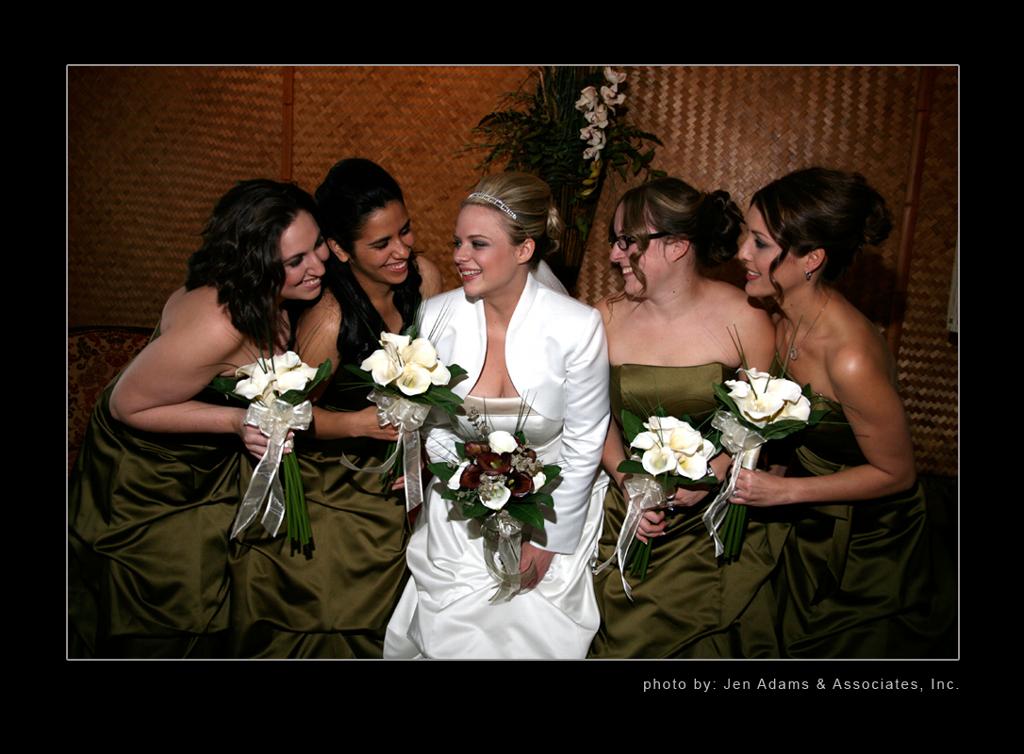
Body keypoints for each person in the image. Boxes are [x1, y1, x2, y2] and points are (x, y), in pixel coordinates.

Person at [69, 179, 328, 658]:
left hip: (203, 452)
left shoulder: (263, 294)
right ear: (256, 265)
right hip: (150, 472)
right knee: (180, 593)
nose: (318, 265)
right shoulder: (218, 325)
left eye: (318, 245)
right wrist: (235, 423)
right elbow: (125, 406)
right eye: (296, 261)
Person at [729, 166, 954, 658]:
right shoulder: (780, 316)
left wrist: (785, 491)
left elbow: (898, 473)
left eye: (760, 243)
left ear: (811, 259)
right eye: (748, 236)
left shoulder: (849, 356)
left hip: (869, 544)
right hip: (808, 519)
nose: (742, 252)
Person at [384, 172, 610, 659]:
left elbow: (585, 441)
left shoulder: (578, 327)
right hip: (460, 512)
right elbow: (436, 426)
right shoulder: (435, 316)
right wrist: (470, 489)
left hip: (553, 507)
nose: (460, 256)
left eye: (478, 244)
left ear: (524, 250)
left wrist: (548, 543)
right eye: (458, 242)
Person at [227, 158, 442, 658]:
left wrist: (428, 444)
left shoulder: (426, 278)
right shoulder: (329, 320)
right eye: (381, 244)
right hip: (333, 478)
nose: (402, 250)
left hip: (407, 467)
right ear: (342, 250)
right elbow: (285, 418)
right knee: (335, 603)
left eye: (405, 231)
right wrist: (359, 424)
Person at [587, 176, 786, 658]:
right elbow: (596, 419)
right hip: (627, 511)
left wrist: (713, 473)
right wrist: (629, 482)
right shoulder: (604, 317)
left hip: (712, 527)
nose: (614, 254)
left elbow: (762, 421)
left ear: (676, 246)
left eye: (626, 241)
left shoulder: (746, 319)